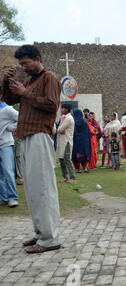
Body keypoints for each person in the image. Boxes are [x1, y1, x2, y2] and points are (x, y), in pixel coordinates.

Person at [2, 45, 62, 253]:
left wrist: (25, 93)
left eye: (26, 63)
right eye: (20, 65)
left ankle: (49, 238)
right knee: (32, 188)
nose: (23, 67)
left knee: (43, 186)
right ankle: (40, 233)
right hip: (26, 135)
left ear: (37, 59)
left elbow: (52, 105)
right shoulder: (29, 80)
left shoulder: (49, 78)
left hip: (40, 134)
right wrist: (6, 81)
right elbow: (10, 99)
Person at [0, 87, 19, 208]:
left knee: (8, 171)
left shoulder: (7, 109)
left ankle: (12, 197)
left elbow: (21, 118)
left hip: (6, 144)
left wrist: (10, 128)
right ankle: (4, 197)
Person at [56, 103, 76, 183]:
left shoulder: (69, 118)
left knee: (67, 159)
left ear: (67, 109)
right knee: (61, 159)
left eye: (62, 108)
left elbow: (60, 129)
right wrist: (60, 129)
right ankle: (65, 177)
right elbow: (60, 129)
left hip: (66, 141)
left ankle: (73, 178)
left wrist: (60, 129)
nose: (61, 110)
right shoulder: (63, 117)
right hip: (61, 141)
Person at [72, 108, 92, 173]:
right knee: (84, 154)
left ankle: (79, 169)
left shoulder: (74, 122)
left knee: (76, 154)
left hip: (76, 142)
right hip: (84, 142)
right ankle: (85, 167)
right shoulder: (85, 122)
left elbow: (73, 132)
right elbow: (87, 133)